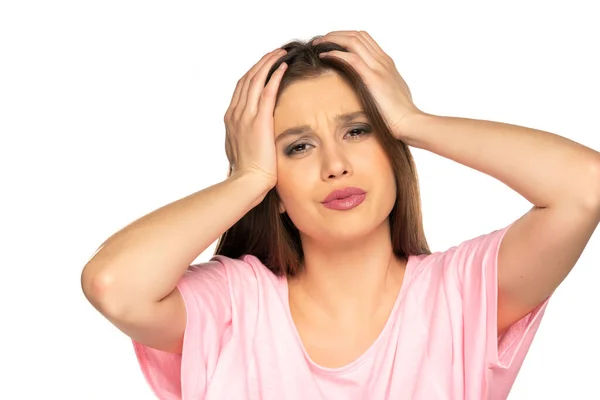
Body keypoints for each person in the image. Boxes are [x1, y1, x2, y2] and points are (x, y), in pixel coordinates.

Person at [81, 31, 600, 399]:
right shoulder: (234, 305)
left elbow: (586, 186)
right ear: (274, 187)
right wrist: (247, 179)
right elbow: (112, 283)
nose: (335, 166)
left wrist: (413, 120)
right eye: (299, 148)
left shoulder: (460, 294)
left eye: (357, 131)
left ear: (393, 152)